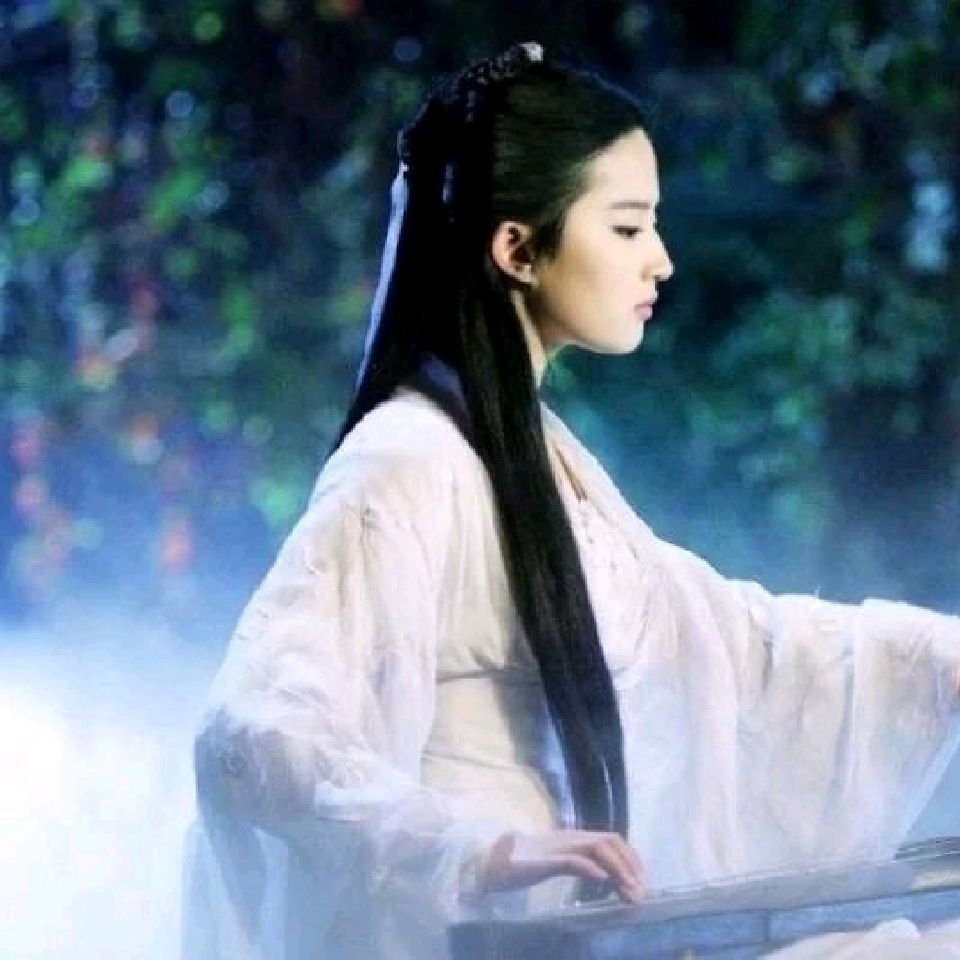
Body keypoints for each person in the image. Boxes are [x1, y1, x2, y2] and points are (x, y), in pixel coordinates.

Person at [180, 42, 960, 960]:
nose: (660, 262)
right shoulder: (407, 461)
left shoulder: (539, 460)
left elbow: (729, 643)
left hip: (580, 931)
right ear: (517, 247)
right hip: (488, 936)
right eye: (628, 229)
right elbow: (253, 730)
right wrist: (474, 848)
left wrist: (941, 663)